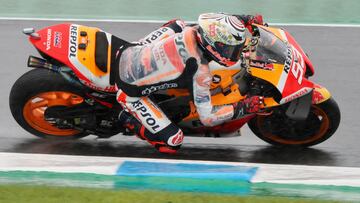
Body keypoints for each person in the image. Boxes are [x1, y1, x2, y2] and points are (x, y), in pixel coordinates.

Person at [115, 13, 264, 154]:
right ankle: (126, 118)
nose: (234, 53)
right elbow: (207, 117)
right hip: (129, 90)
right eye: (230, 49)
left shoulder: (195, 30)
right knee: (173, 141)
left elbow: (222, 21)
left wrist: (246, 19)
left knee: (178, 24)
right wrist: (243, 107)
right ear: (214, 45)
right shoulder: (201, 71)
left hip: (132, 50)